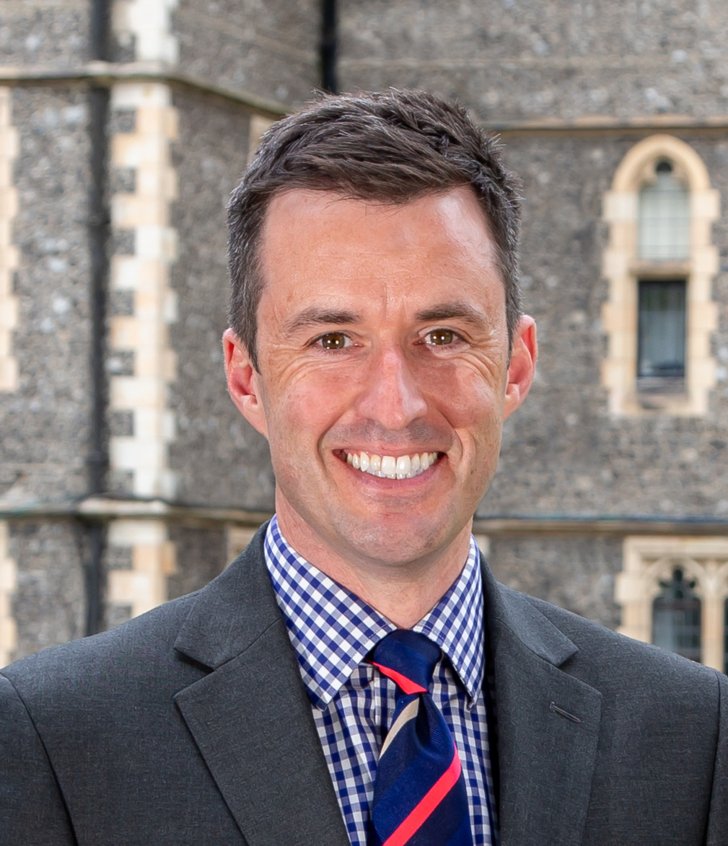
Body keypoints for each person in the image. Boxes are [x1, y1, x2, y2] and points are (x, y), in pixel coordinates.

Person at [0, 89, 725, 846]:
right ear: (246, 377)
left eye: (443, 335)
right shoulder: (56, 738)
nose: (395, 404)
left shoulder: (693, 739)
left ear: (516, 365)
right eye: (333, 341)